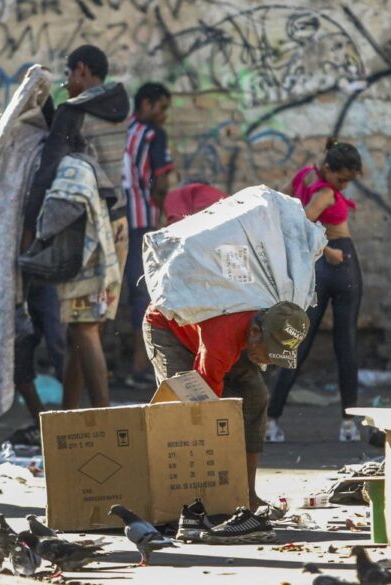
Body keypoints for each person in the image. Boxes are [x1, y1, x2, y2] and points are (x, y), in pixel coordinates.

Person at [27, 44, 129, 410]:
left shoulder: (73, 112)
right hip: (119, 224)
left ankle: (104, 418)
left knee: (83, 328)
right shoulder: (120, 106)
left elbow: (48, 171)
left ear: (82, 69)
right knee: (84, 327)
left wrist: (31, 231)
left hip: (86, 230)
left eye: (69, 75)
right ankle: (69, 417)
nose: (67, 83)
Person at [143, 301, 309, 517]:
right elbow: (206, 408)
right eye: (270, 354)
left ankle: (247, 495)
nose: (270, 362)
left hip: (220, 332)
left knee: (255, 396)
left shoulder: (262, 318)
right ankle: (188, 502)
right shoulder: (221, 344)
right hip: (168, 327)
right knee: (184, 410)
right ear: (255, 332)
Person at [267, 140, 364, 443]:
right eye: (341, 179)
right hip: (338, 261)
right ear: (328, 168)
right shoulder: (325, 193)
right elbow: (301, 221)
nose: (343, 186)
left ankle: (271, 420)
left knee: (298, 341)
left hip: (314, 265)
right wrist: (328, 250)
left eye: (348, 182)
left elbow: (282, 202)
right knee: (345, 344)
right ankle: (348, 425)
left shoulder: (306, 175)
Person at [122, 82, 174, 390]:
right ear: (146, 104)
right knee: (144, 291)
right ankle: (140, 367)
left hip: (116, 222)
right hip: (142, 222)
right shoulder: (154, 134)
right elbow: (161, 183)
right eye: (162, 108)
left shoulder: (123, 130)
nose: (165, 115)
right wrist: (161, 214)